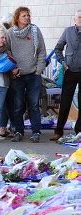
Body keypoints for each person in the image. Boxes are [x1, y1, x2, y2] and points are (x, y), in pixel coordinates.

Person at [6, 6, 46, 143]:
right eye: (24, 15)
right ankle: (18, 131)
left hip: (33, 74)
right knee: (17, 105)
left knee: (34, 104)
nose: (27, 17)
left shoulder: (35, 30)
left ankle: (36, 132)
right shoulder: (10, 33)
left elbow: (41, 51)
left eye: (28, 15)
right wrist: (13, 68)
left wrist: (39, 69)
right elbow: (7, 52)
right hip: (17, 75)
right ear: (17, 18)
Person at [50, 10, 81, 141]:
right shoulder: (68, 31)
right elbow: (58, 48)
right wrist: (63, 62)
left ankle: (79, 131)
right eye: (79, 17)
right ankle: (58, 131)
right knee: (65, 102)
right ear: (74, 19)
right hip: (70, 70)